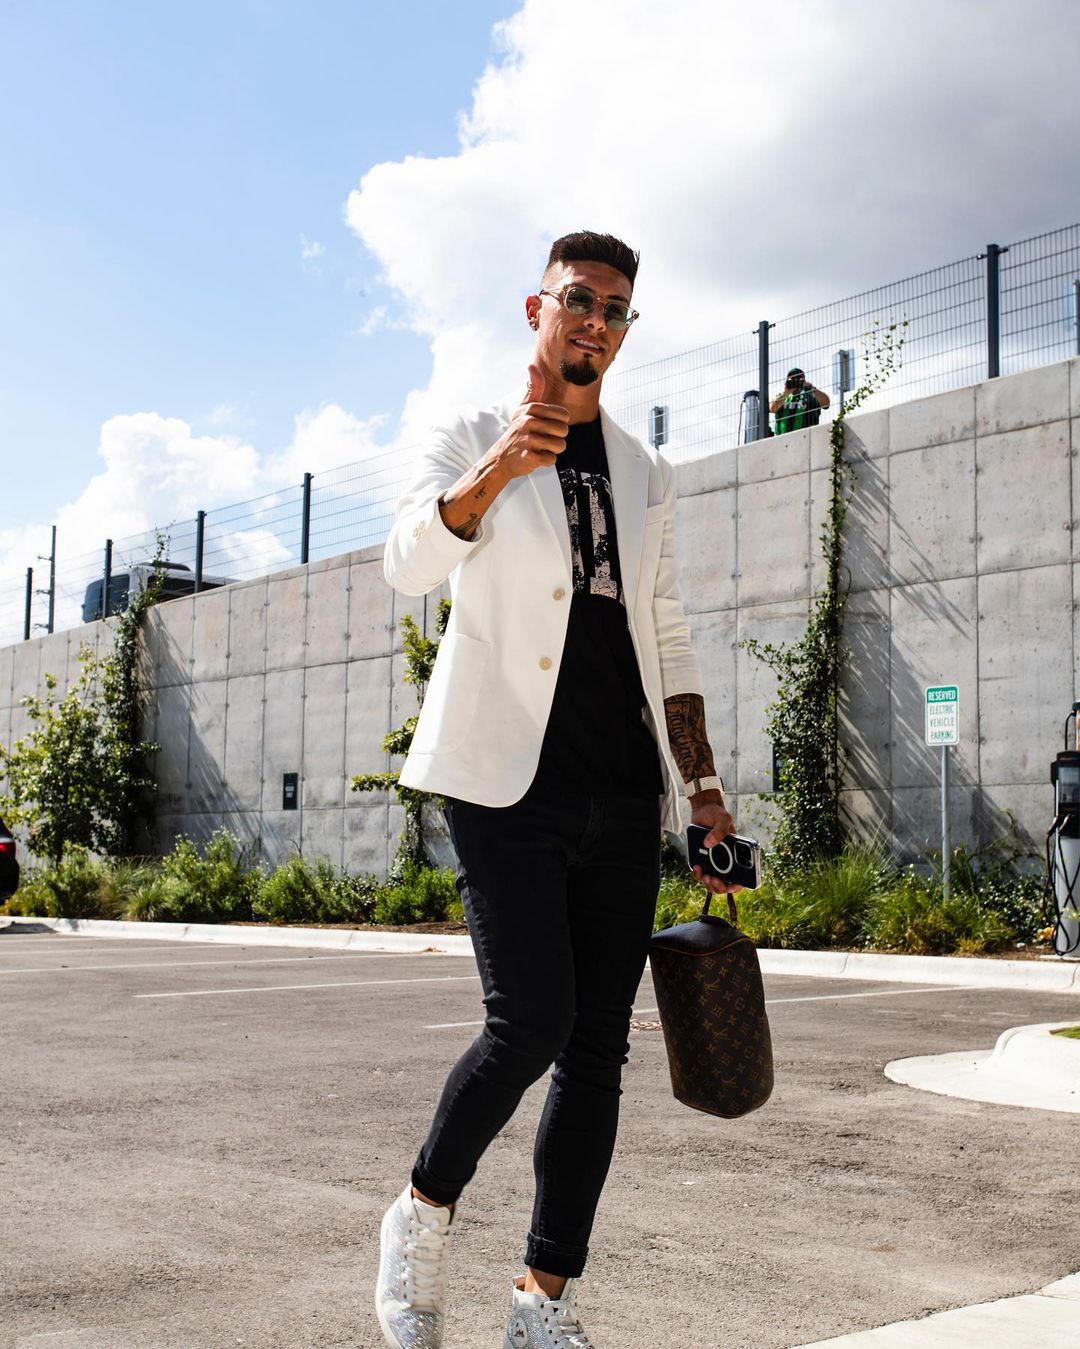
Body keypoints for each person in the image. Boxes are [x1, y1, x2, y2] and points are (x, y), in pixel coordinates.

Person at [375, 230, 737, 1349]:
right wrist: (499, 469)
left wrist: (702, 784)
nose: (596, 321)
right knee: (529, 1020)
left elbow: (663, 628)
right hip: (502, 776)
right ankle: (422, 1211)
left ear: (626, 330)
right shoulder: (469, 432)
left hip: (623, 785)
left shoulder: (644, 469)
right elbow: (406, 562)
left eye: (616, 308)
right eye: (579, 298)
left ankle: (543, 1301)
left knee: (597, 1050)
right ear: (537, 307)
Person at [770, 366, 830, 435]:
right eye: (792, 380)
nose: (795, 383)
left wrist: (812, 388)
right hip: (783, 438)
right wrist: (785, 393)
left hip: (806, 437)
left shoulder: (811, 396)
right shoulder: (782, 397)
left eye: (798, 380)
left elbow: (826, 404)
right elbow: (772, 408)